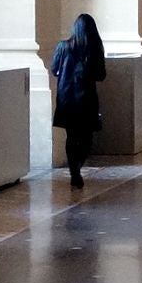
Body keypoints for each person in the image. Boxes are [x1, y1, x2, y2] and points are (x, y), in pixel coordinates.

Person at [50, 13, 107, 189]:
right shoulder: (94, 49)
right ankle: (77, 167)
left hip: (66, 97)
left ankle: (74, 171)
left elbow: (54, 69)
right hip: (86, 99)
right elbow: (101, 75)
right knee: (86, 137)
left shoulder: (63, 47)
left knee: (71, 136)